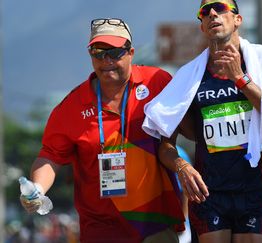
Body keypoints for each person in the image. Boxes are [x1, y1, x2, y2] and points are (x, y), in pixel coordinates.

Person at [20, 18, 184, 243]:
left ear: (130, 52)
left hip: (154, 223)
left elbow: (188, 123)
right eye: (98, 52)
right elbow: (50, 155)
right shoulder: (71, 106)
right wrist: (37, 188)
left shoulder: (157, 82)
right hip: (101, 228)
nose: (106, 60)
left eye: (115, 52)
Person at [142, 1, 262, 242]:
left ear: (238, 20)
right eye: (205, 11)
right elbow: (165, 144)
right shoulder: (189, 76)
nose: (212, 13)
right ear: (202, 27)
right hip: (209, 194)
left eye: (220, 7)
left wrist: (240, 79)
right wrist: (183, 167)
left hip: (253, 188)